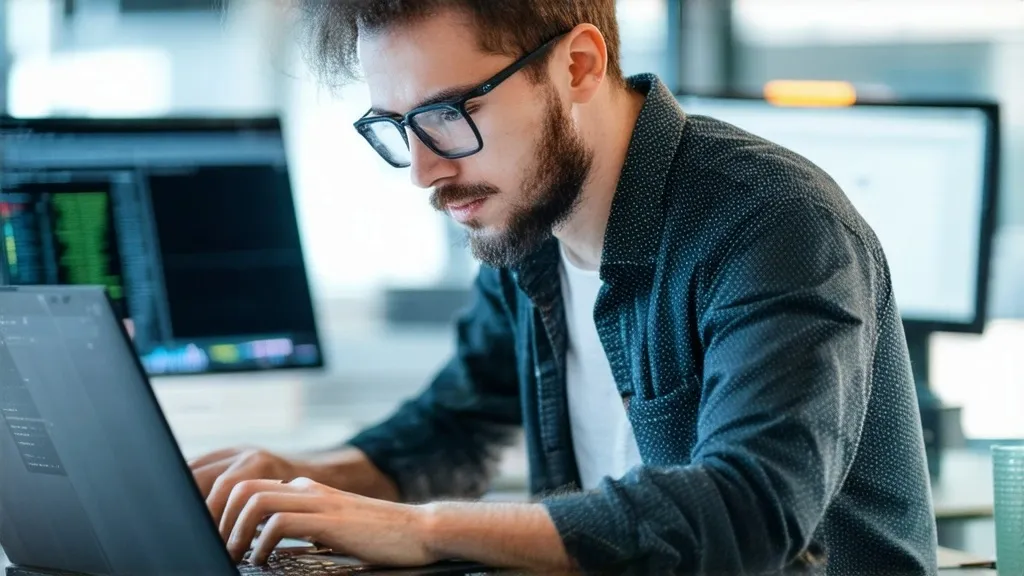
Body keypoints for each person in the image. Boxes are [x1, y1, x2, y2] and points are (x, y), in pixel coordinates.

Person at [192, 1, 938, 573]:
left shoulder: (771, 223)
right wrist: (300, 481)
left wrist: (418, 530)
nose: (424, 170)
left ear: (578, 65)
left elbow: (749, 514)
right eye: (396, 125)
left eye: (449, 114)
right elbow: (456, 424)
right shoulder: (529, 228)